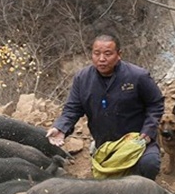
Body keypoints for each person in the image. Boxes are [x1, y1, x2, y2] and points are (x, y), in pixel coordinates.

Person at [46, 34, 164, 180]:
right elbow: (72, 109)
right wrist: (60, 128)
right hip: (106, 144)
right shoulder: (82, 79)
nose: (101, 59)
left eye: (108, 54)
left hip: (139, 141)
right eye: (97, 53)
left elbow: (156, 103)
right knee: (109, 184)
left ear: (119, 55)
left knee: (149, 164)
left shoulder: (138, 76)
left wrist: (149, 130)